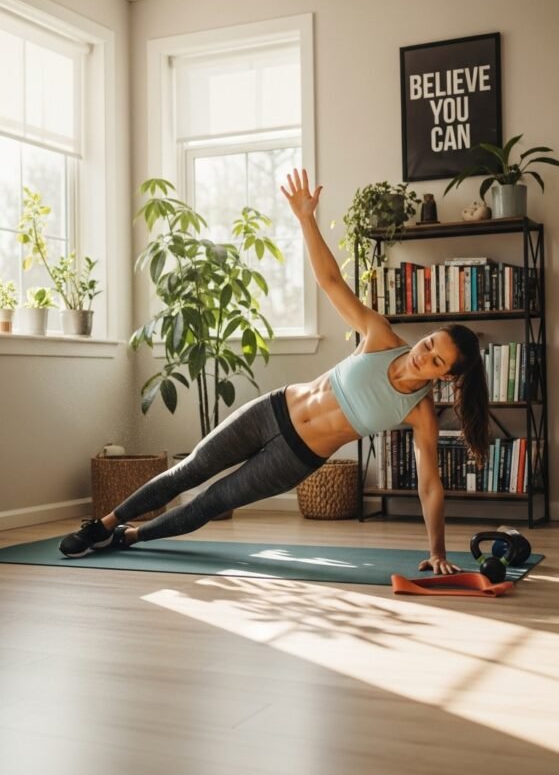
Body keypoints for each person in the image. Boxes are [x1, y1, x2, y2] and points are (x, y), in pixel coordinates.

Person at [60, 169, 489, 574]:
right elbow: (330, 281)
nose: (423, 356)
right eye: (429, 344)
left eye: (437, 361)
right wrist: (306, 219)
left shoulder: (420, 413)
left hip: (295, 458)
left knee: (212, 501)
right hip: (273, 410)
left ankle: (129, 536)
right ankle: (102, 525)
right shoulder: (380, 336)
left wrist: (436, 552)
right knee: (189, 470)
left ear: (446, 376)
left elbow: (429, 486)